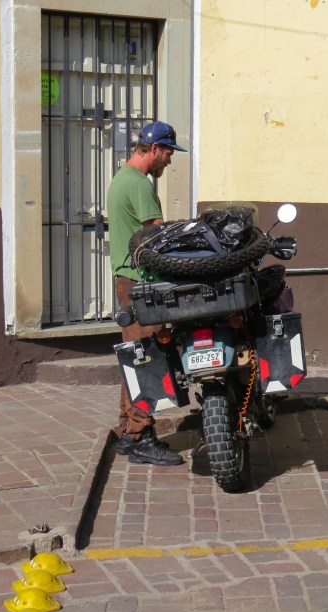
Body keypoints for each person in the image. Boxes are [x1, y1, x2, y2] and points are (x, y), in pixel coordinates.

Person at [108, 121, 188, 466]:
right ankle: (141, 438)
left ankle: (128, 431)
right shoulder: (140, 185)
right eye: (168, 152)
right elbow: (157, 238)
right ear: (154, 149)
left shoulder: (121, 177)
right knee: (149, 359)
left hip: (127, 281)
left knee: (135, 355)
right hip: (141, 284)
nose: (169, 161)